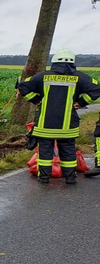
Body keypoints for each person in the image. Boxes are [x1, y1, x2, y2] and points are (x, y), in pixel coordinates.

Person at [17, 48, 100, 184]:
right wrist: (81, 102)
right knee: (68, 150)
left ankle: (43, 178)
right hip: (67, 126)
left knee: (45, 152)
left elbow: (23, 86)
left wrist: (36, 100)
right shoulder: (80, 77)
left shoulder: (42, 76)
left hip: (45, 124)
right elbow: (97, 89)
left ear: (54, 62)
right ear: (73, 63)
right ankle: (70, 178)